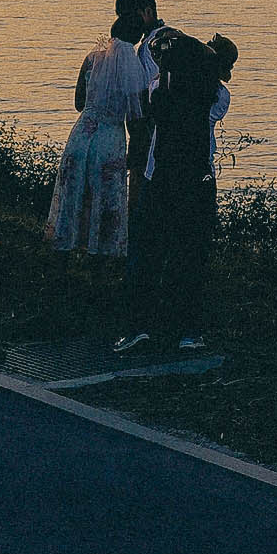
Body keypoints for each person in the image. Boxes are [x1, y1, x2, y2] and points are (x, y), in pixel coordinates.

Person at [115, 28, 237, 356]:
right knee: (190, 258)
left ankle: (139, 326)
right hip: (197, 182)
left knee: (147, 253)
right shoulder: (218, 97)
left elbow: (157, 71)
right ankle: (187, 330)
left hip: (159, 178)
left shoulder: (162, 87)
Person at [46, 0, 158, 263]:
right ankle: (100, 258)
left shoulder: (92, 58)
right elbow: (136, 116)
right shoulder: (135, 68)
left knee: (74, 195)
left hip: (82, 134)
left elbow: (79, 103)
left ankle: (63, 255)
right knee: (105, 202)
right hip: (110, 138)